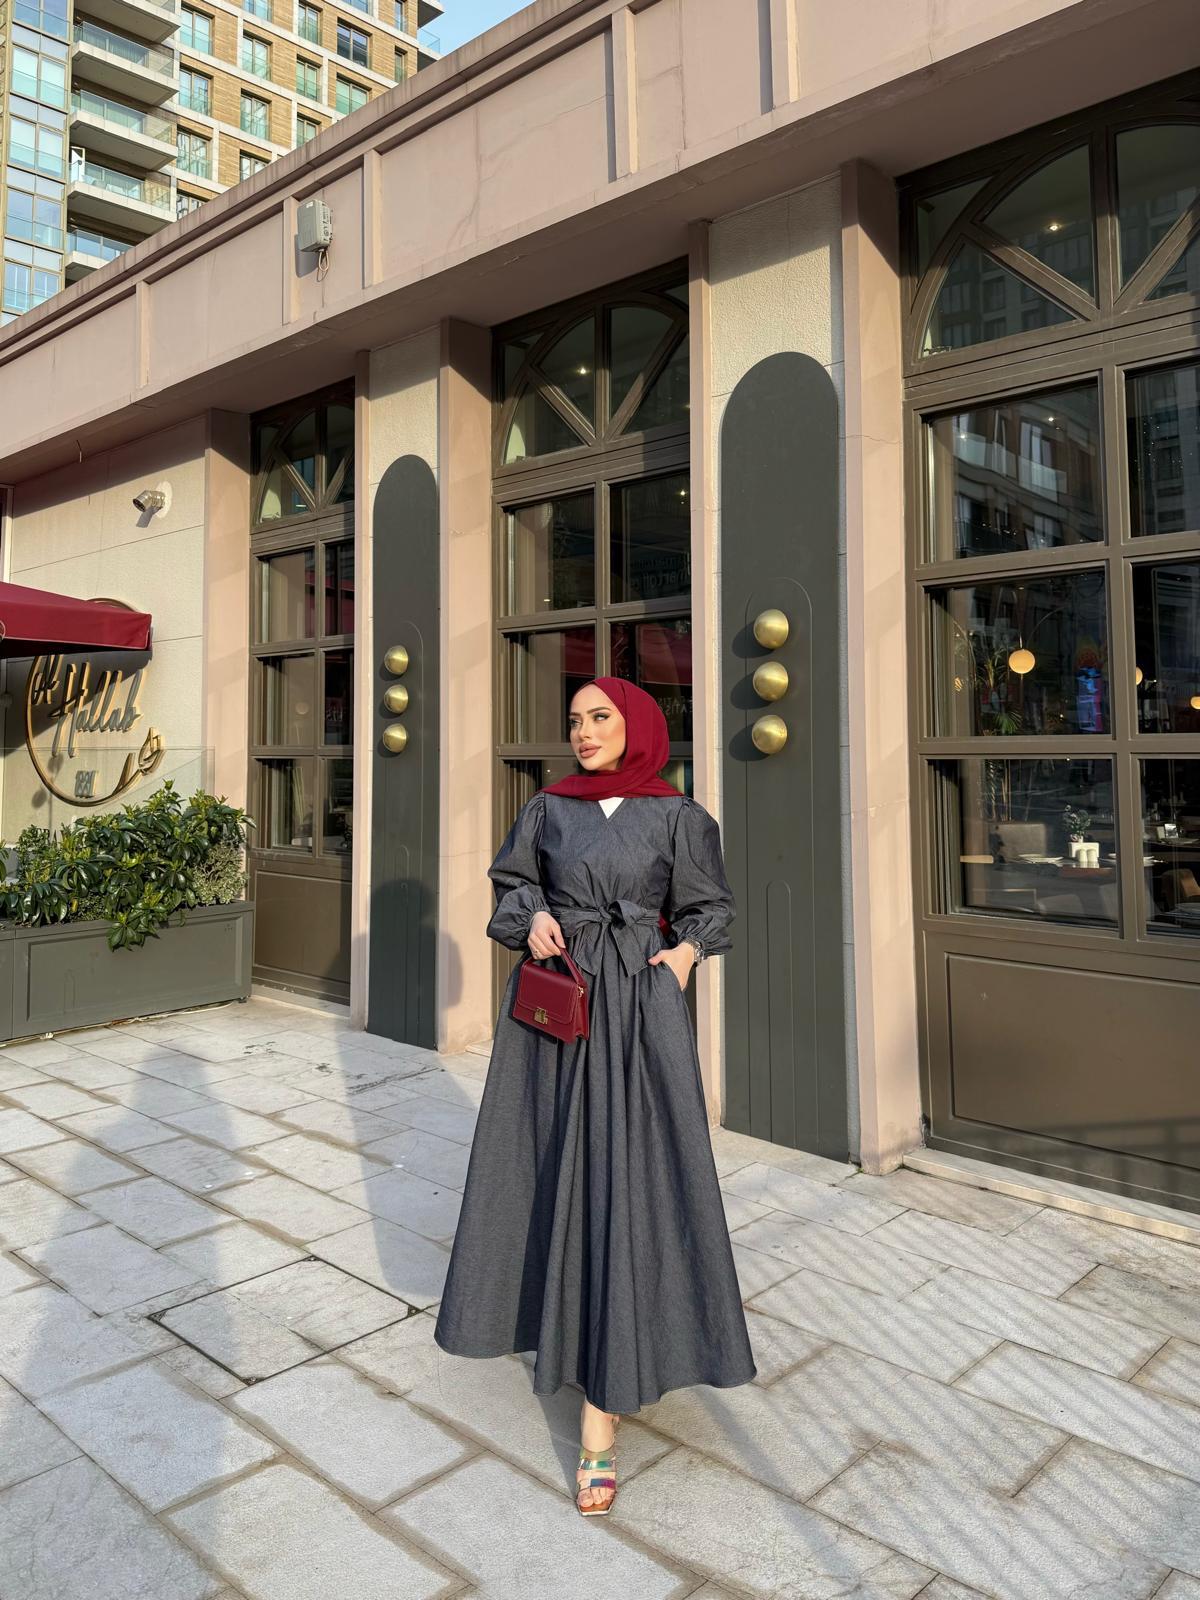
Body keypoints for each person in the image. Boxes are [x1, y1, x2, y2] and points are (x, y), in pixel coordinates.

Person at [433, 675, 756, 1516]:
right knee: (547, 1162)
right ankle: (558, 1320)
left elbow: (711, 909)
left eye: (600, 717)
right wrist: (532, 917)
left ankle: (604, 1407)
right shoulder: (548, 808)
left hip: (640, 1008)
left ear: (635, 724)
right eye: (574, 719)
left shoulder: (680, 816)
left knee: (634, 1172)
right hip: (558, 1006)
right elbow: (511, 887)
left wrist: (683, 957)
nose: (583, 731)